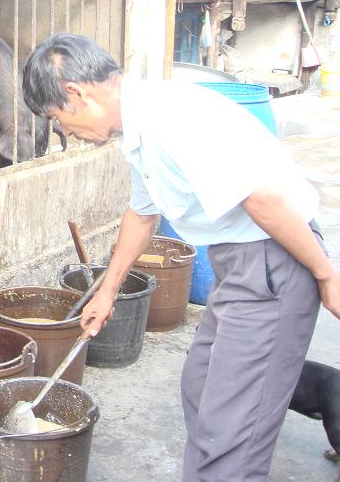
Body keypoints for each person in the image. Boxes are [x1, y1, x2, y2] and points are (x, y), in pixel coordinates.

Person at [22, 32, 340, 482]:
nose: (66, 133)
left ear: (77, 93)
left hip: (275, 260)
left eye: (59, 119)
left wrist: (326, 274)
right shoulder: (140, 127)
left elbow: (263, 201)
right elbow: (141, 212)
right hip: (242, 261)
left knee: (230, 432)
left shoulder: (171, 118)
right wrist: (106, 292)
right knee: (202, 385)